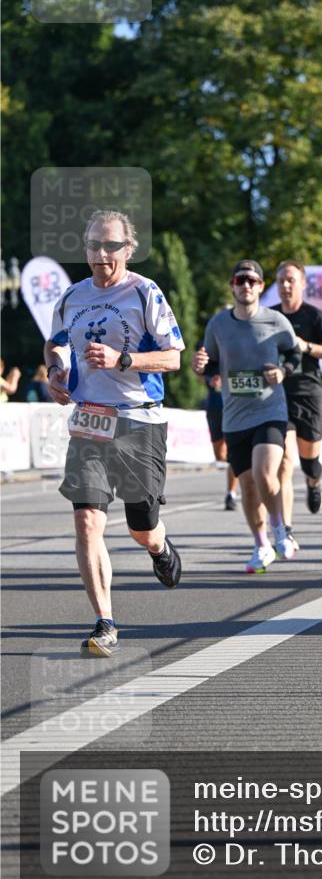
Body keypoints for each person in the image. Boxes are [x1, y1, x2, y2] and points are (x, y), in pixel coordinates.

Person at [45, 209, 184, 657]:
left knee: (141, 526)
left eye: (111, 246)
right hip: (89, 417)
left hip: (139, 419)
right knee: (87, 519)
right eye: (93, 246)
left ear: (128, 249)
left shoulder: (145, 292)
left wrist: (124, 360)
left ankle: (158, 547)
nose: (101, 255)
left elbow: (173, 358)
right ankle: (105, 621)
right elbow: (56, 341)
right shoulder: (71, 296)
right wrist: (55, 370)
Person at [192, 260, 301, 573]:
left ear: (261, 286)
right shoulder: (218, 325)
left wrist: (283, 371)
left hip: (270, 410)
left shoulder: (276, 321)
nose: (246, 286)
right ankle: (261, 545)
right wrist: (203, 368)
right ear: (233, 285)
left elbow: (294, 354)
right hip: (235, 416)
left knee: (265, 472)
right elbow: (208, 360)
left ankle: (281, 529)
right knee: (248, 487)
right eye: (241, 280)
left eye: (252, 281)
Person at [270, 261, 322, 547]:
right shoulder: (269, 316)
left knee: (308, 460)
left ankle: (314, 482)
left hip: (309, 393)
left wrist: (305, 346)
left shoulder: (314, 316)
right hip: (278, 396)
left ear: (302, 284)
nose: (286, 285)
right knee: (284, 462)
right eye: (281, 280)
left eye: (291, 280)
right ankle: (285, 529)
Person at [203, 370, 239, 510]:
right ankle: (242, 466)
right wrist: (207, 377)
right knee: (220, 455)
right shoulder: (204, 347)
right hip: (214, 406)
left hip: (234, 406)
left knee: (233, 454)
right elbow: (199, 370)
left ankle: (231, 494)